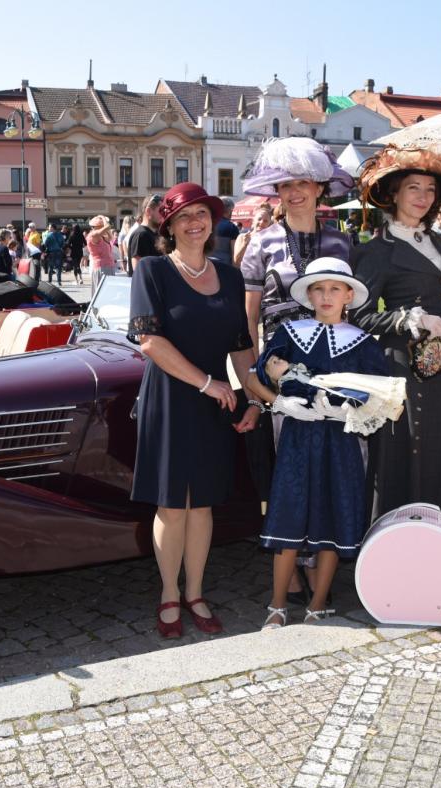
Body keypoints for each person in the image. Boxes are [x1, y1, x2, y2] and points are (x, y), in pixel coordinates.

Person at [127, 183, 259, 638]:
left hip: (216, 400)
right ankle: (168, 593)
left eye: (201, 213)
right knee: (172, 506)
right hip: (171, 396)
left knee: (202, 505)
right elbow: (149, 341)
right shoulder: (154, 271)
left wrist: (254, 397)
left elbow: (242, 346)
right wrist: (207, 383)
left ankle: (196, 592)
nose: (194, 222)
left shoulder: (231, 274)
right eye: (184, 216)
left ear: (212, 220)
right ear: (169, 226)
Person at [244, 258, 392, 629]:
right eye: (319, 289)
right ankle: (277, 606)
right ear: (308, 295)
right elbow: (253, 378)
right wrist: (278, 402)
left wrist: (351, 415)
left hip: (341, 443)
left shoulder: (362, 344)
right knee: (288, 514)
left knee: (332, 515)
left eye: (334, 289)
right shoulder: (290, 333)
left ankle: (318, 604)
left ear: (348, 295)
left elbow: (385, 400)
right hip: (297, 438)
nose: (327, 296)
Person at [239, 137, 355, 604]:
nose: (294, 192)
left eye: (303, 182)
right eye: (285, 184)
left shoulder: (342, 240)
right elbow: (247, 317)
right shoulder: (260, 242)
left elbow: (352, 309)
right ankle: (288, 563)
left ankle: (316, 559)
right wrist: (251, 379)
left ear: (319, 187)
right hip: (281, 368)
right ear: (276, 191)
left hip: (331, 367)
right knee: (287, 469)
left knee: (328, 464)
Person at [350, 144, 441, 527]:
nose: (423, 197)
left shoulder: (437, 242)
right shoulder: (376, 251)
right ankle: (401, 543)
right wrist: (406, 318)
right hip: (405, 368)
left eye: (430, 190)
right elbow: (360, 315)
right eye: (413, 188)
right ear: (394, 194)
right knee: (411, 455)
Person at [127, 194, 163, 276]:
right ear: (148, 211)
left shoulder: (155, 233)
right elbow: (138, 271)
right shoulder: (141, 235)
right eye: (160, 211)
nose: (163, 215)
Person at [232, 202, 273, 267]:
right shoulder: (242, 237)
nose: (261, 222)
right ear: (253, 221)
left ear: (269, 224)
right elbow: (236, 263)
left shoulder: (272, 240)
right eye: (259, 219)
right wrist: (245, 244)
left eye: (265, 221)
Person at [85, 215, 117, 291]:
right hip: (101, 267)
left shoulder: (102, 236)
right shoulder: (93, 235)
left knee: (109, 291)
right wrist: (103, 217)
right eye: (101, 226)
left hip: (108, 266)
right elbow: (108, 226)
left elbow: (111, 237)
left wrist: (105, 228)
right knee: (102, 291)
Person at [211, 197, 240, 267]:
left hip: (206, 265)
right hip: (225, 267)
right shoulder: (232, 227)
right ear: (230, 211)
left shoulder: (208, 224)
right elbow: (235, 253)